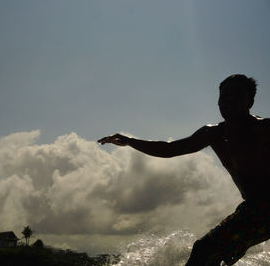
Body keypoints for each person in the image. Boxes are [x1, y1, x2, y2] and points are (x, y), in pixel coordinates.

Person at [98, 74, 270, 265]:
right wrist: (130, 141)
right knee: (205, 252)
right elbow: (170, 149)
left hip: (265, 208)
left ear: (250, 101)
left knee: (205, 250)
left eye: (236, 95)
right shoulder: (213, 133)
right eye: (224, 95)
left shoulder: (264, 129)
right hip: (252, 209)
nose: (228, 100)